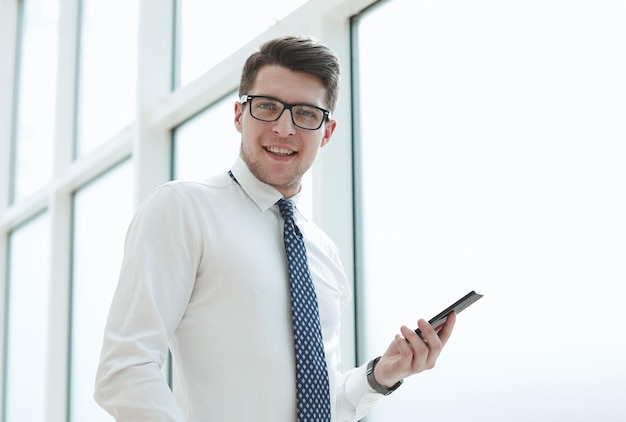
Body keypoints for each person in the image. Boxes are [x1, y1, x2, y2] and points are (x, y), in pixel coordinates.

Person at [94, 35, 456, 422]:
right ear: (238, 115)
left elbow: (320, 401)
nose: (284, 129)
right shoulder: (183, 209)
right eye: (266, 107)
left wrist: (382, 375)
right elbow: (124, 371)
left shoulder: (322, 251)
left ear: (327, 132)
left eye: (304, 113)